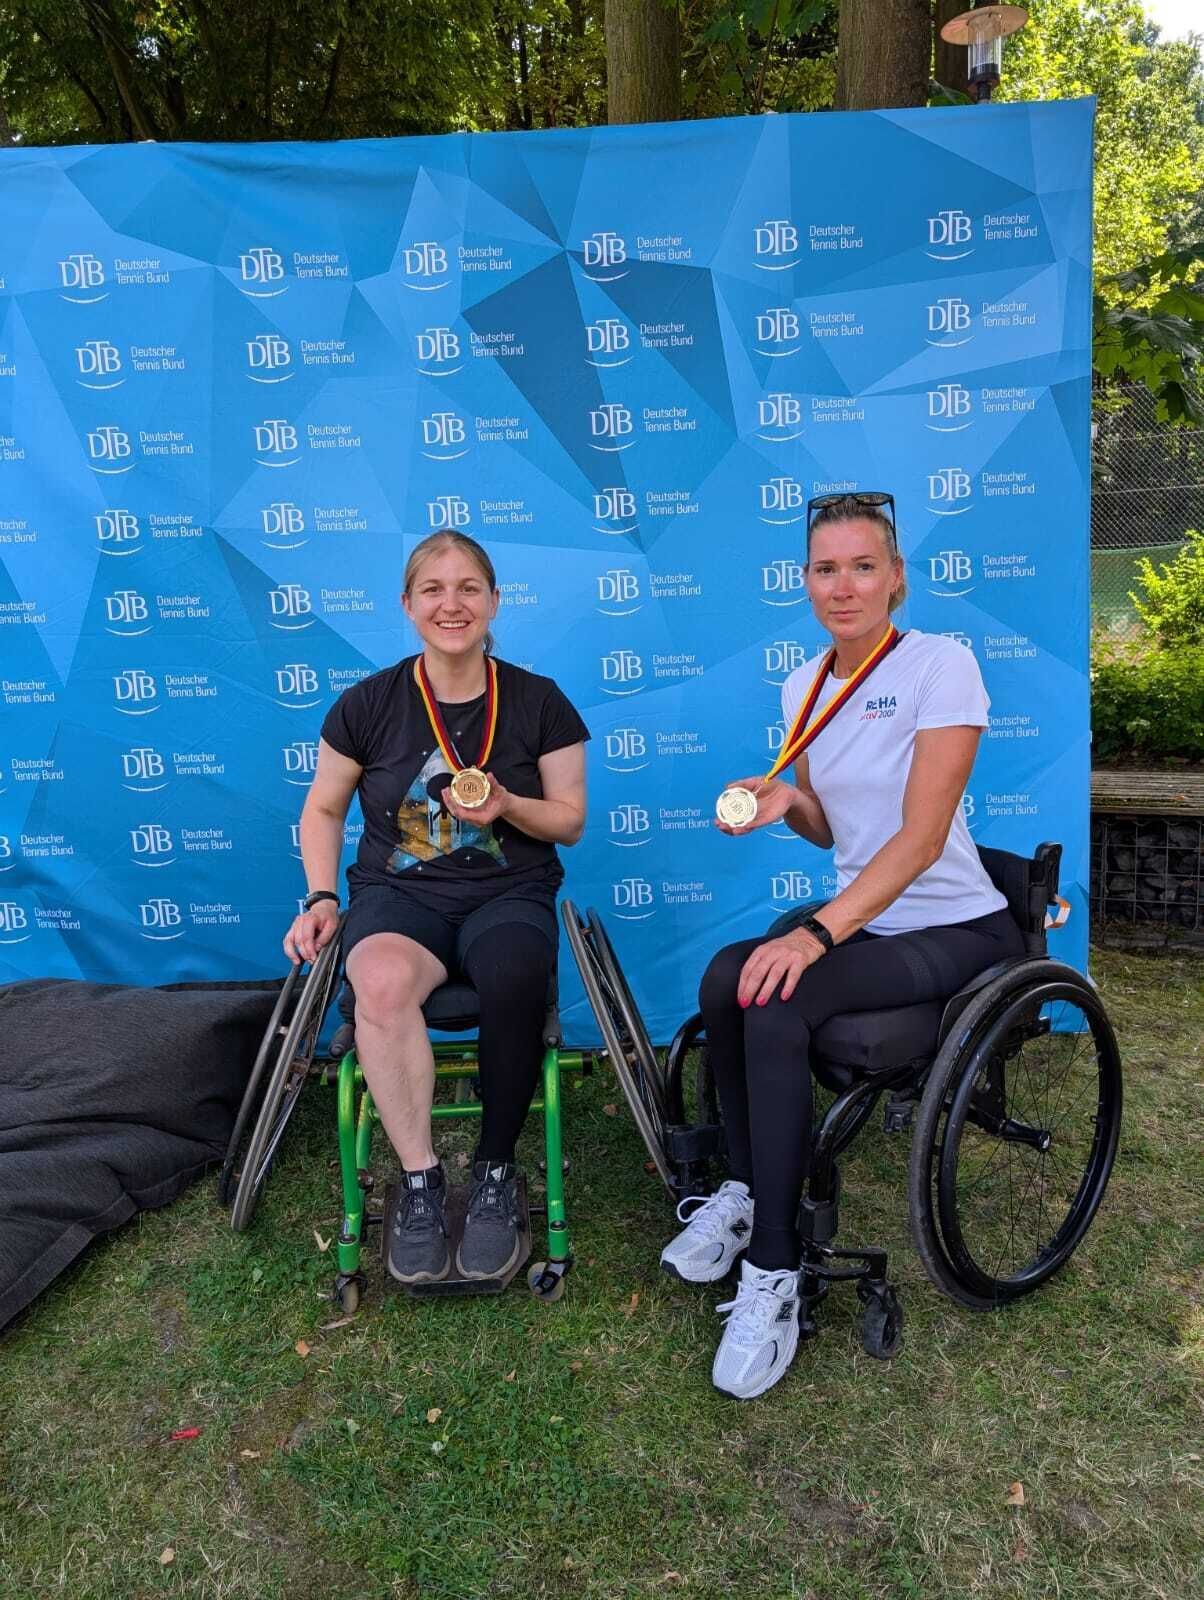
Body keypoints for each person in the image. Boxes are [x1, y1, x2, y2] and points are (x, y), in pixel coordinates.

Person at [661, 491, 1025, 1400]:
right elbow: (836, 833)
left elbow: (918, 832)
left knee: (781, 990)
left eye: (864, 566)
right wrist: (792, 802)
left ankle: (775, 1272)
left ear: (897, 578)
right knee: (721, 979)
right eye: (827, 568)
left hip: (952, 927)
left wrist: (821, 931)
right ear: (805, 582)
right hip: (870, 916)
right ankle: (748, 1191)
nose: (845, 585)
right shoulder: (805, 685)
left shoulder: (943, 666)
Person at [283, 532, 589, 1286]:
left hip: (507, 892)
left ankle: (492, 1173)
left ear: (493, 601)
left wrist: (510, 803)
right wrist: (323, 895)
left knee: (516, 971)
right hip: (401, 897)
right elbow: (322, 810)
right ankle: (420, 1182)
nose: (451, 604)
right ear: (408, 604)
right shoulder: (369, 704)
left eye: (468, 588)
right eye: (433, 589)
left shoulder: (539, 700)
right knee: (380, 981)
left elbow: (570, 821)